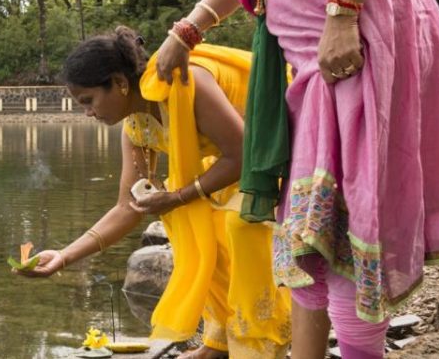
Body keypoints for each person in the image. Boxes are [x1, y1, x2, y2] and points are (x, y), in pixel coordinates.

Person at [151, 0, 439, 357]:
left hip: (357, 55)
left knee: (345, 236)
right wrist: (189, 28)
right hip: (313, 73)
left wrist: (343, 14)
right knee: (308, 236)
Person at [16, 27, 291, 359]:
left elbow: (244, 155)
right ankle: (219, 341)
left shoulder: (186, 83)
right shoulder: (136, 127)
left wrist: (177, 197)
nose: (88, 112)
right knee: (192, 223)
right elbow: (127, 208)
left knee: (237, 225)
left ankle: (259, 344)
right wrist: (63, 256)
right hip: (235, 159)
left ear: (119, 83)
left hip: (280, 145)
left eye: (88, 101)